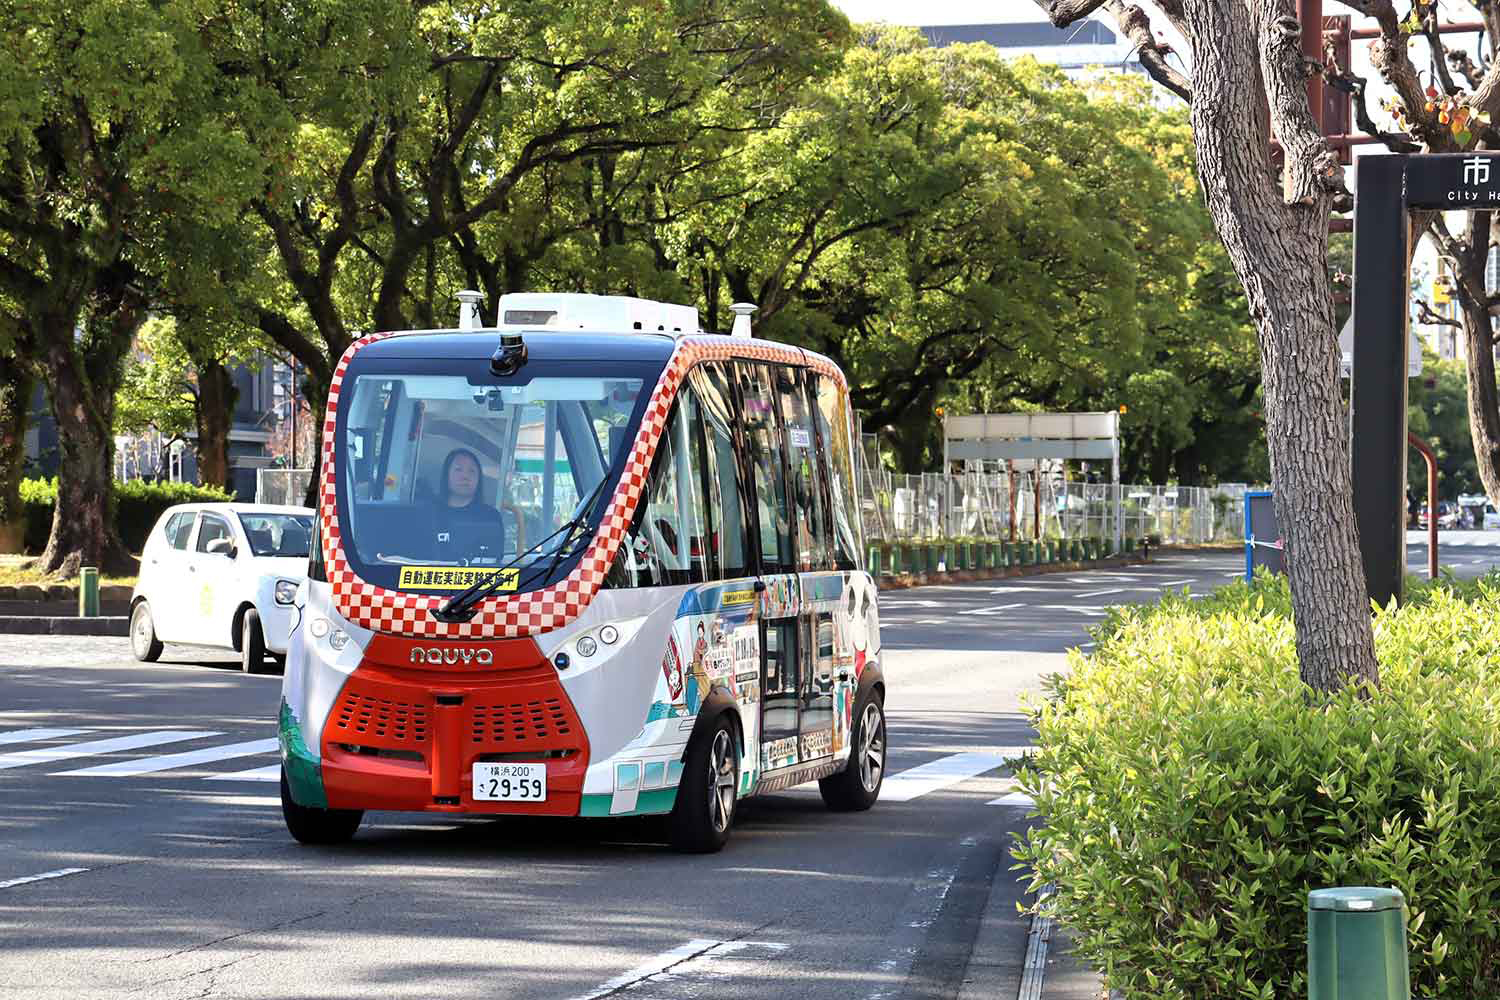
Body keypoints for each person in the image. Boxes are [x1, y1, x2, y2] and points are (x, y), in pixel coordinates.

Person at [435, 448, 507, 561]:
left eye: (472, 471)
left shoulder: (490, 517)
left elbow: (494, 560)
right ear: (446, 475)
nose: (465, 476)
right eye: (458, 469)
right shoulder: (429, 513)